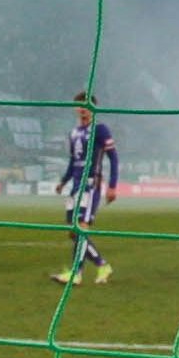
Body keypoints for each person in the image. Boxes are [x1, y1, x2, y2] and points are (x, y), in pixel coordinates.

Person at [50, 92, 118, 285]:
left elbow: (113, 157)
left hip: (90, 185)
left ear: (93, 108)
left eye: (86, 105)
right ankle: (103, 265)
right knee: (74, 233)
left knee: (81, 229)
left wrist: (112, 186)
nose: (82, 109)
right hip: (75, 187)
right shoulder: (73, 133)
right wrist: (63, 181)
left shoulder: (100, 129)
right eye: (79, 105)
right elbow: (74, 161)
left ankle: (76, 274)